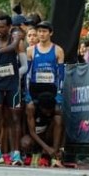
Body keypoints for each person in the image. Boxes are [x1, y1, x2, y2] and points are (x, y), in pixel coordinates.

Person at [0, 14, 28, 165]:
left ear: (9, 27)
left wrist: (16, 76)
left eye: (2, 26)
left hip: (13, 84)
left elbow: (24, 65)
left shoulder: (16, 42)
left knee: (15, 118)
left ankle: (16, 154)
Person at [25, 21, 65, 167]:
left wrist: (59, 96)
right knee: (31, 115)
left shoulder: (58, 50)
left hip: (52, 93)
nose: (41, 34)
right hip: (36, 93)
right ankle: (36, 152)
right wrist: (28, 96)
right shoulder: (31, 50)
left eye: (44, 31)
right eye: (39, 31)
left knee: (58, 117)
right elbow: (28, 75)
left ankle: (55, 154)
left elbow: (61, 76)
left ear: (51, 33)